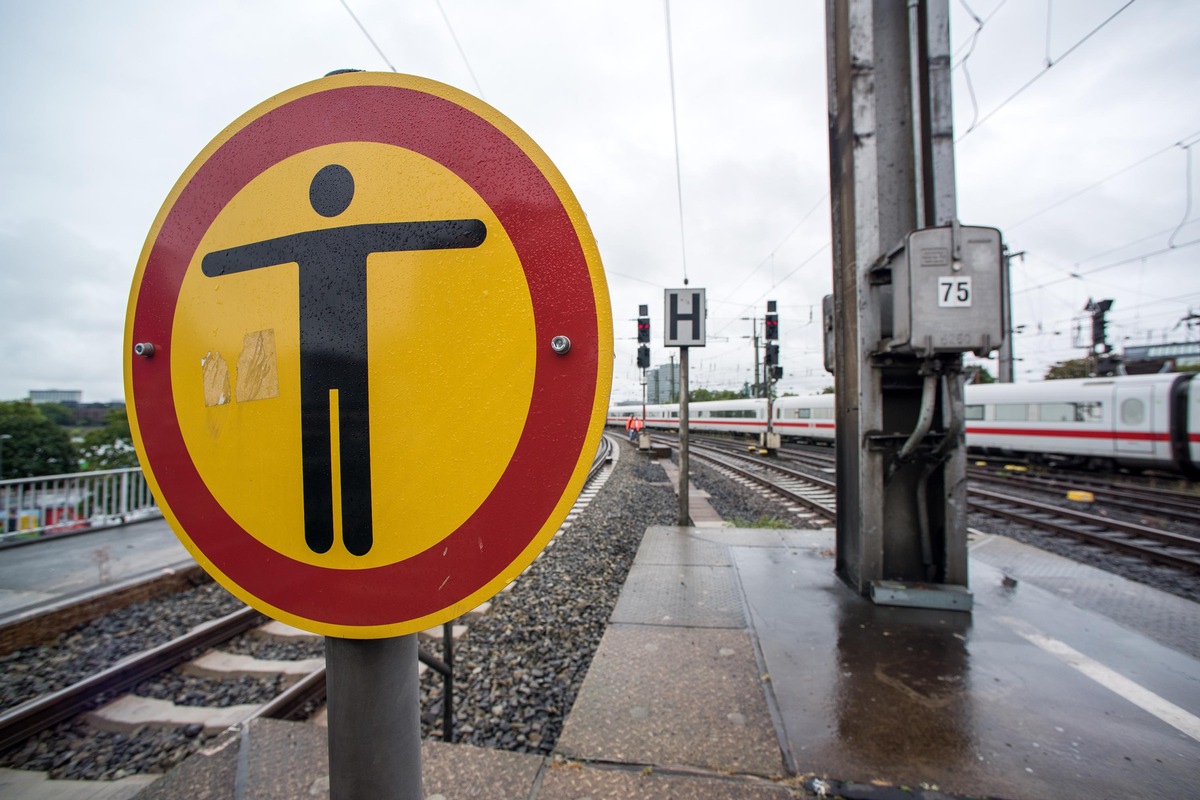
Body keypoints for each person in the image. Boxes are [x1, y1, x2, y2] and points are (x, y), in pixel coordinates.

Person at [202, 163, 486, 556]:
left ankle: (324, 534)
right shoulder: (357, 235)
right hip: (350, 359)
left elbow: (244, 257)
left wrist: (211, 264)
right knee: (351, 441)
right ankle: (355, 535)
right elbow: (415, 234)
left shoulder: (304, 241)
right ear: (346, 196)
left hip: (318, 360)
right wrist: (473, 231)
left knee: (319, 443)